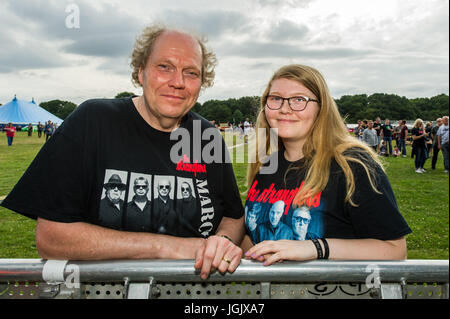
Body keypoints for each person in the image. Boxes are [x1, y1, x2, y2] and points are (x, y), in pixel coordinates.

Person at [1, 25, 245, 280]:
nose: (178, 82)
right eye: (165, 67)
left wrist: (222, 241)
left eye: (191, 72)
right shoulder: (93, 121)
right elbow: (51, 238)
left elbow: (233, 215)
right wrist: (166, 247)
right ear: (141, 72)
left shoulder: (207, 137)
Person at [242, 64, 411, 265]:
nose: (285, 109)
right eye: (276, 99)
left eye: (299, 100)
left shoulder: (352, 164)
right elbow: (251, 237)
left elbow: (394, 249)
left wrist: (315, 248)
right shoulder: (267, 165)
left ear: (321, 108)